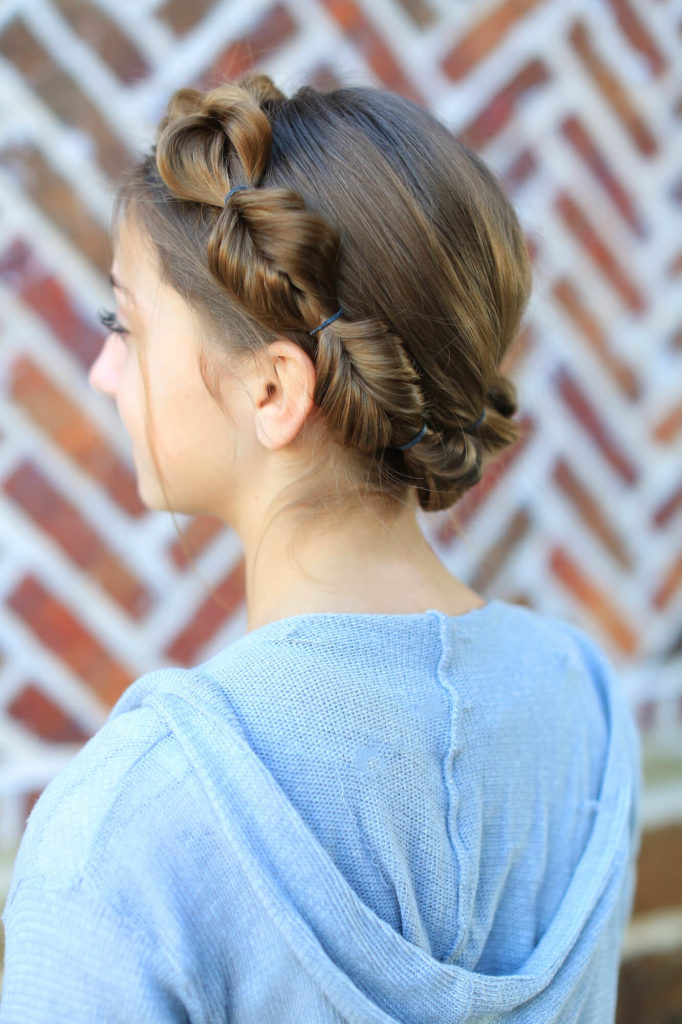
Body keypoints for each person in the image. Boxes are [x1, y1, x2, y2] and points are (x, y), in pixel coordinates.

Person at [0, 74, 640, 1023]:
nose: (102, 370)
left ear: (274, 391)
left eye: (123, 325)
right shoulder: (588, 711)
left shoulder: (129, 829)